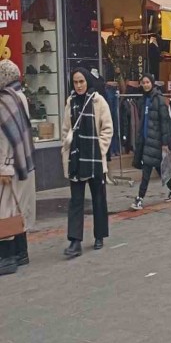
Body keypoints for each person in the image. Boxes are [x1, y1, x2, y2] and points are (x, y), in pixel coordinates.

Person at [61, 68, 113, 258]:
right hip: (76, 157)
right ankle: (75, 241)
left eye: (81, 81)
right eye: (75, 82)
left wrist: (100, 148)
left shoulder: (99, 101)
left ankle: (99, 235)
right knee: (76, 200)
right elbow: (66, 128)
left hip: (93, 158)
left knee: (98, 198)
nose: (79, 85)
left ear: (87, 81)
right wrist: (65, 146)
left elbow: (107, 128)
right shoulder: (70, 102)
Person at [0, 60, 36, 276]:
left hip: (10, 165)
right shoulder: (19, 95)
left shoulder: (5, 100)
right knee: (18, 207)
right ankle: (22, 253)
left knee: (6, 211)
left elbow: (4, 138)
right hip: (24, 162)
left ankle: (6, 257)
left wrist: (3, 167)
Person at [130, 74, 171, 211]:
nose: (145, 85)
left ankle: (139, 198)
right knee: (159, 167)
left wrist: (165, 143)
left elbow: (165, 123)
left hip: (155, 141)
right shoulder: (143, 100)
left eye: (147, 82)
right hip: (146, 140)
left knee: (146, 171)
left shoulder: (159, 100)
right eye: (143, 82)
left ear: (152, 83)